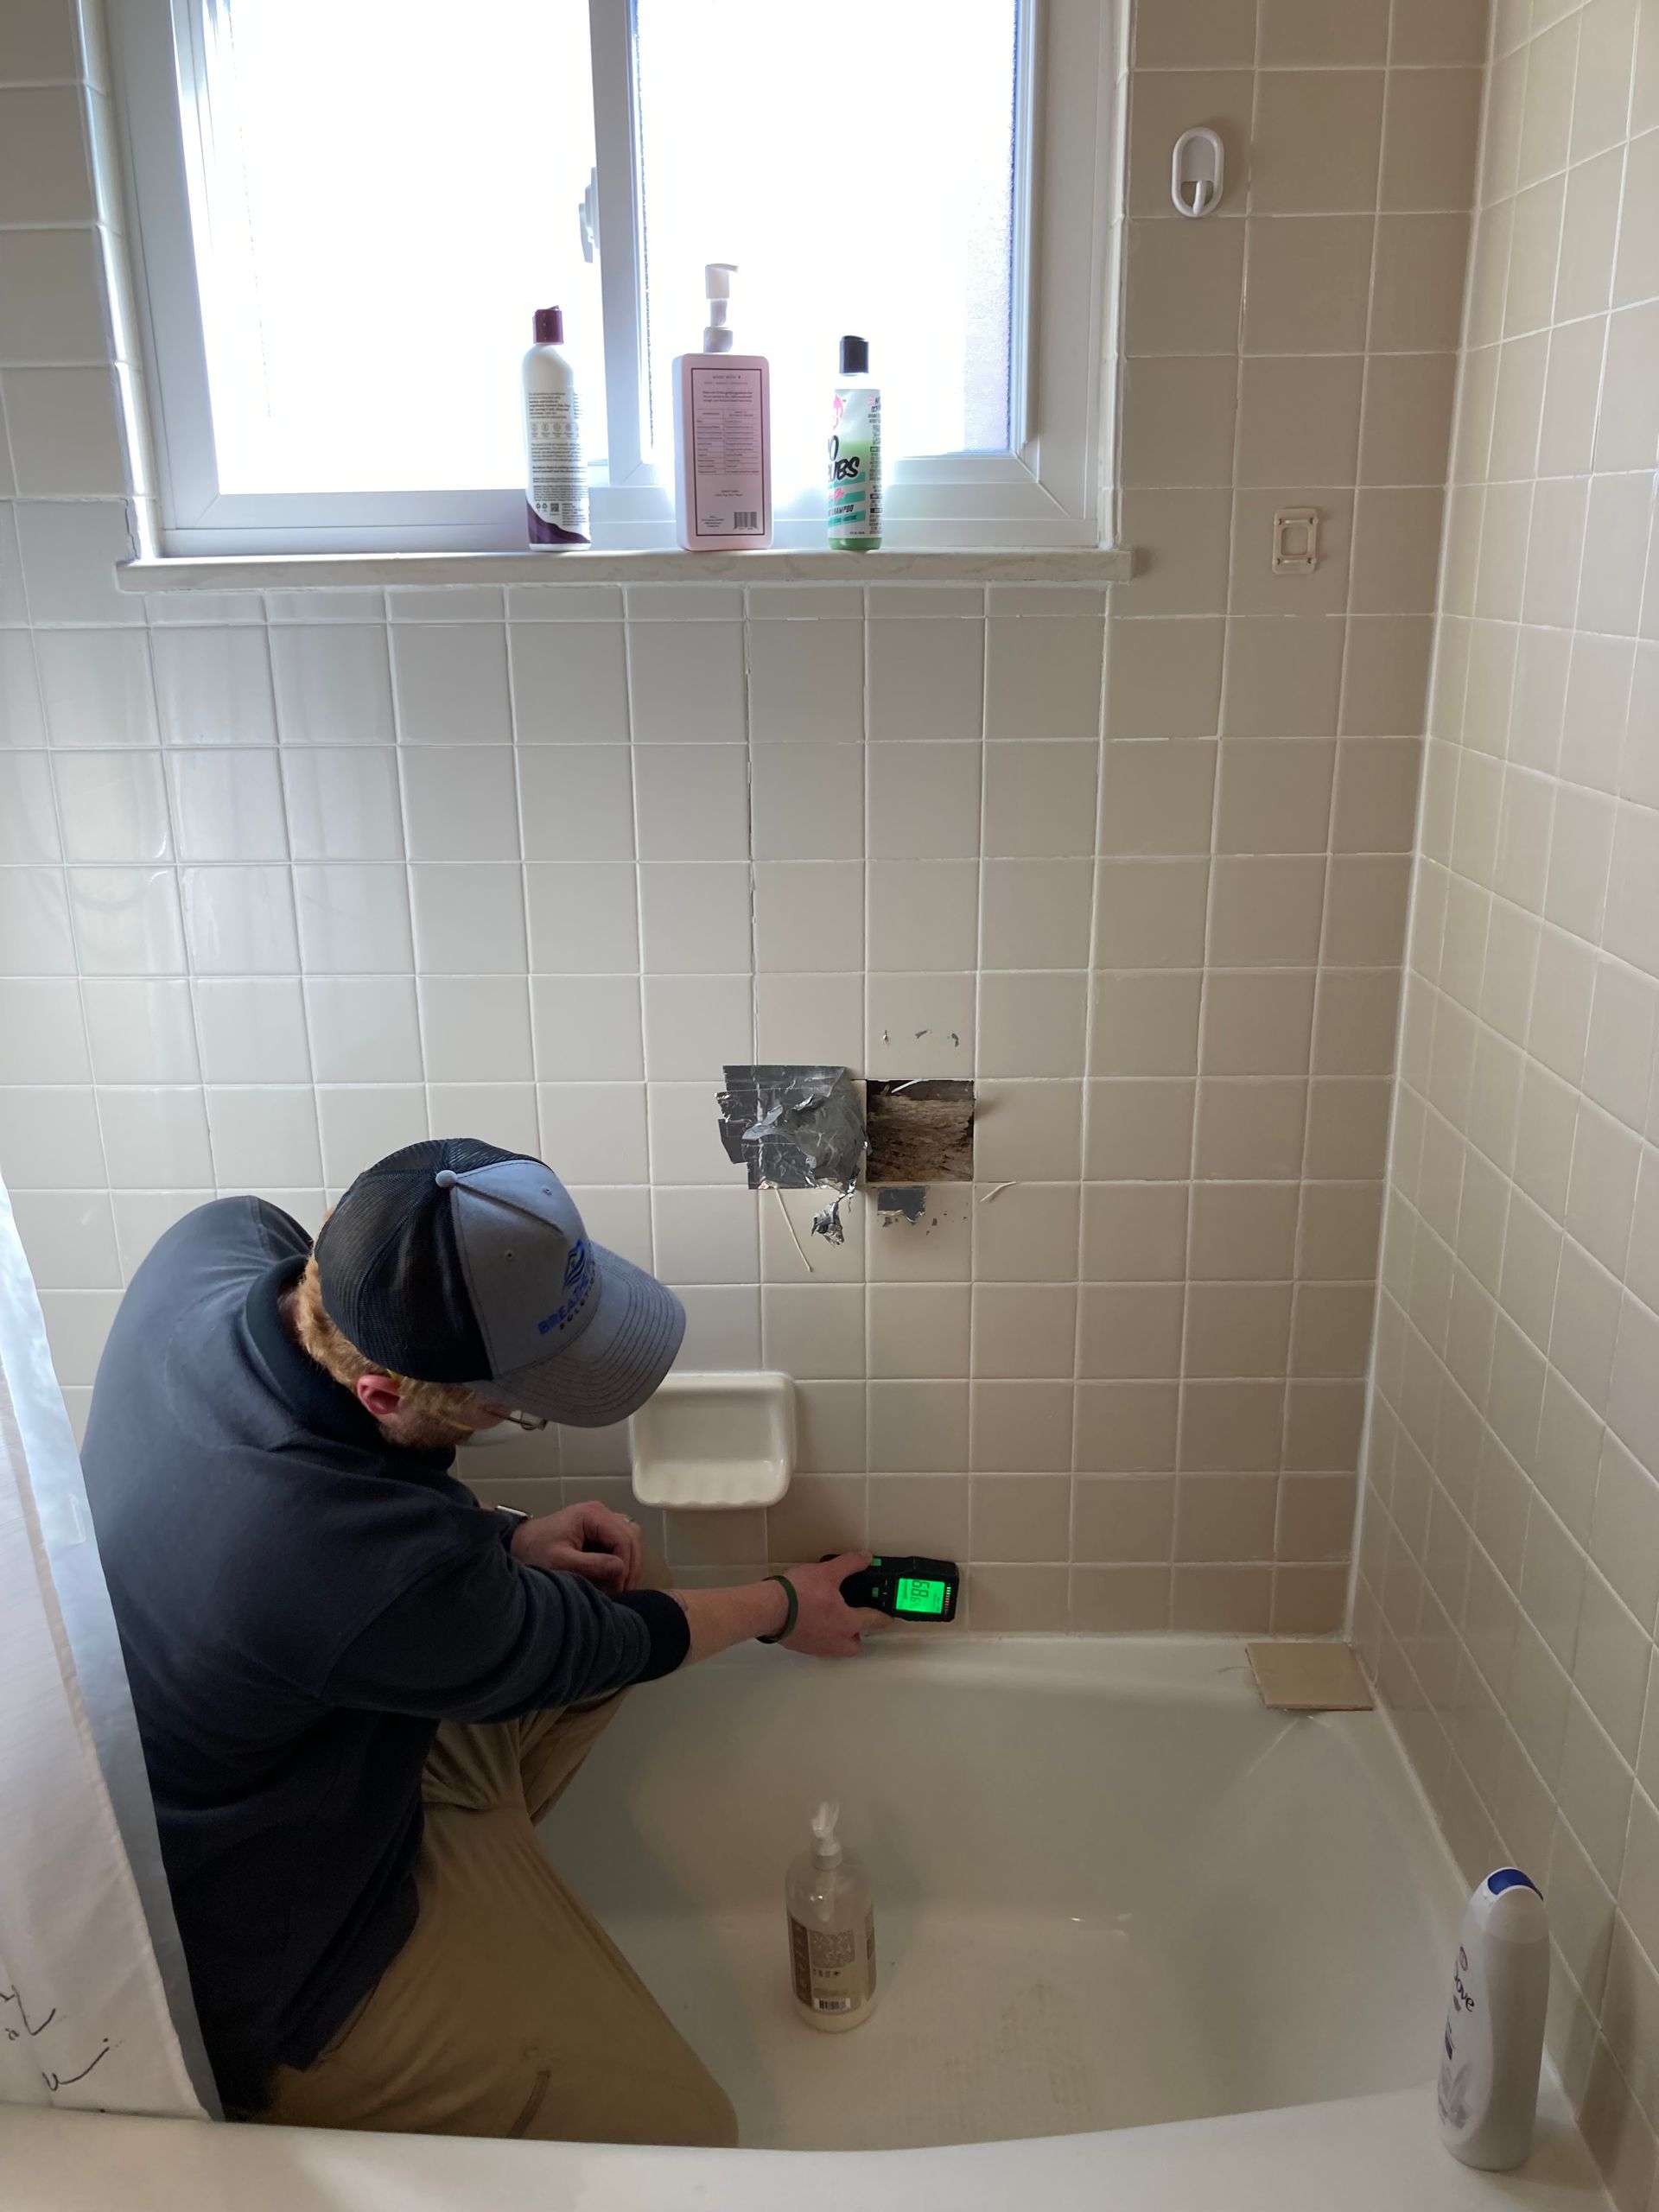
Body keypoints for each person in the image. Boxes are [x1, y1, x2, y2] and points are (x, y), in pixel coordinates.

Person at [79, 1136, 880, 2146]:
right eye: (516, 1409)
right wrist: (783, 1605)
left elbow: (375, 1536)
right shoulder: (334, 1560)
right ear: (383, 1395)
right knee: (689, 2136)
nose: (523, 1416)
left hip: (304, 1752)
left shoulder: (217, 1245)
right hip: (279, 1953)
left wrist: (500, 1538)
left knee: (618, 1579)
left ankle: (489, 1880)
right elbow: (598, 1642)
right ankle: (339, 2063)